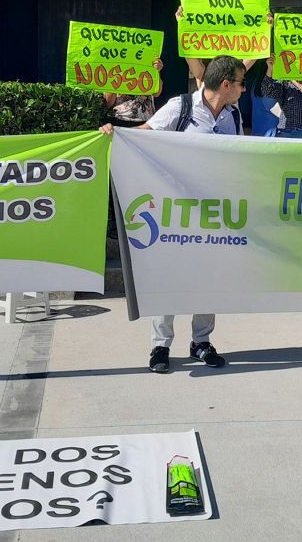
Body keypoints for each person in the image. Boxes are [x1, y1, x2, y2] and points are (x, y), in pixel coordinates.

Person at [101, 55, 246, 374]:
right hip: (175, 210)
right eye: (240, 83)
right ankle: (161, 346)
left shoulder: (233, 115)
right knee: (170, 276)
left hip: (213, 212)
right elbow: (142, 134)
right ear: (225, 84)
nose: (243, 89)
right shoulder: (180, 107)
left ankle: (201, 342)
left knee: (209, 278)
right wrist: (114, 133)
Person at [104, 58, 164, 126]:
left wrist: (156, 71)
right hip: (119, 119)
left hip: (145, 121)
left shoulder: (148, 63)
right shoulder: (116, 65)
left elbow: (156, 93)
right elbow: (108, 103)